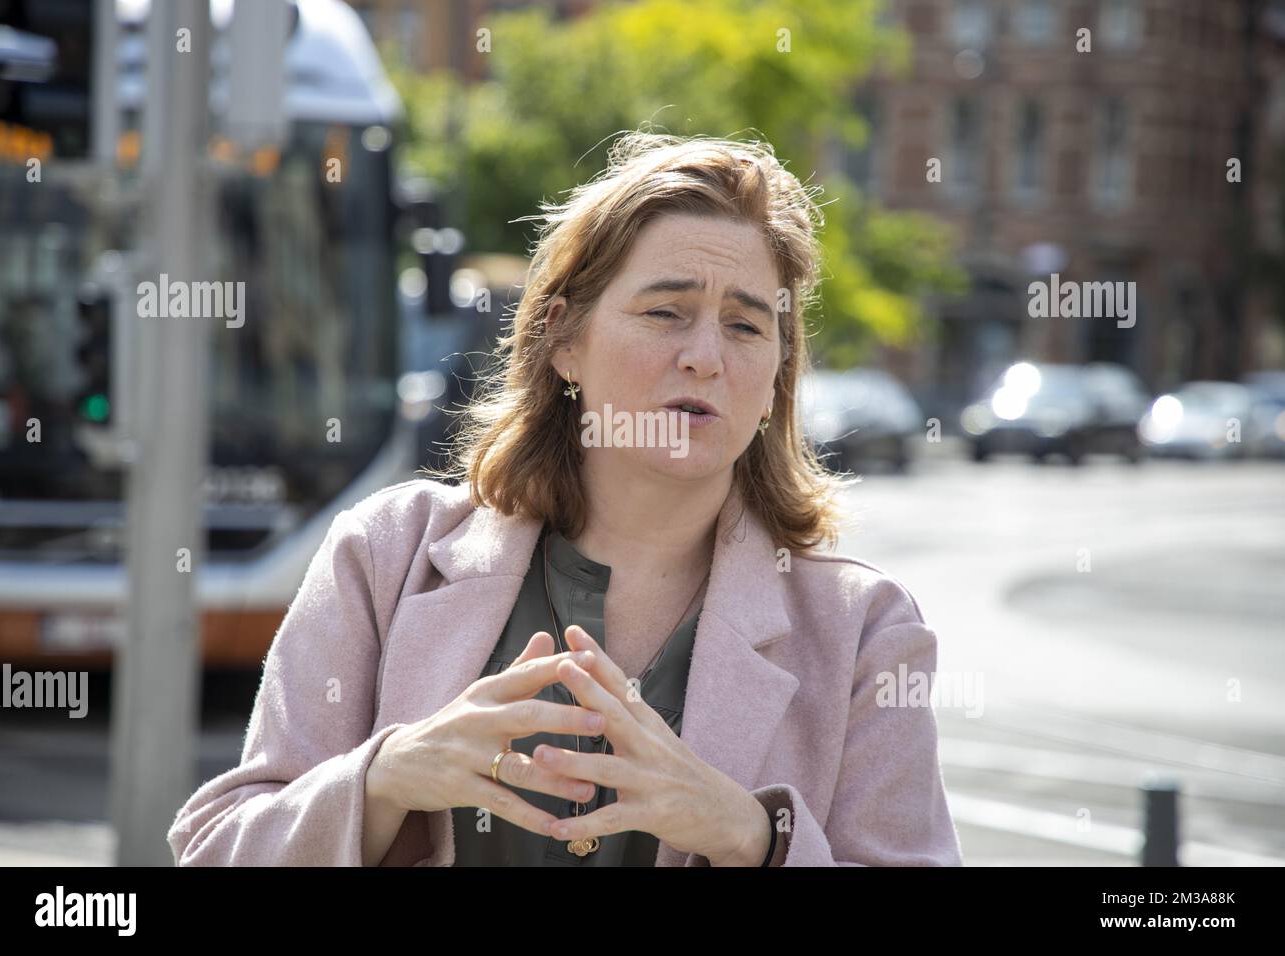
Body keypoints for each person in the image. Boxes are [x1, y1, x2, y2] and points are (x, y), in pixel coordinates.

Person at [167, 131, 963, 867]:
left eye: (748, 327)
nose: (706, 357)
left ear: (776, 383)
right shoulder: (386, 555)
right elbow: (215, 851)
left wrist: (752, 836)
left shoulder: (866, 634)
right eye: (665, 312)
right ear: (564, 341)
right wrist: (383, 779)